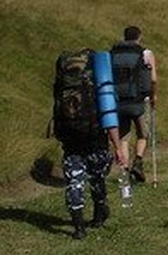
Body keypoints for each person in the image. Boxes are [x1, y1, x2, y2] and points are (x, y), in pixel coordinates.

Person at [52, 50, 127, 240]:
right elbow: (109, 118)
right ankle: (99, 214)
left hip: (71, 143)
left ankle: (79, 228)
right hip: (95, 142)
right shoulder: (97, 86)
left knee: (74, 184)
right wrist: (118, 147)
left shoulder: (64, 85)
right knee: (97, 179)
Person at [111, 25, 158, 183]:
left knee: (123, 137)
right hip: (139, 101)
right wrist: (153, 96)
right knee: (142, 134)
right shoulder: (145, 53)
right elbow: (153, 79)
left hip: (119, 101)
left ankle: (124, 170)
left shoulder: (113, 54)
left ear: (124, 37)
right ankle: (138, 161)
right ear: (139, 37)